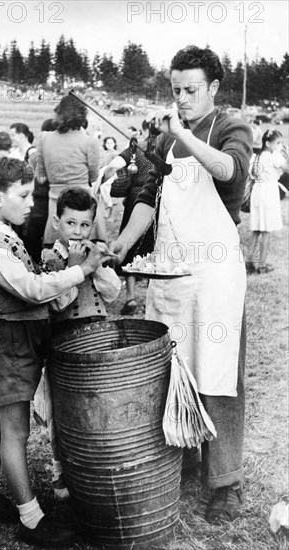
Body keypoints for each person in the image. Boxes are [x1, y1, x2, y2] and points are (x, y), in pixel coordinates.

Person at [111, 45, 253, 525]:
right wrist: (122, 243)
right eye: (175, 90)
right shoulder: (166, 138)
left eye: (191, 90)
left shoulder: (232, 128)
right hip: (169, 273)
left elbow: (229, 171)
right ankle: (185, 455)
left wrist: (181, 135)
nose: (182, 98)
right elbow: (147, 196)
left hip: (213, 276)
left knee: (217, 373)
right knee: (172, 369)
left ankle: (226, 481)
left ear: (213, 88)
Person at [0, 157, 112, 548]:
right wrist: (79, 271)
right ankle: (31, 518)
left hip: (13, 342)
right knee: (16, 432)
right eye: (23, 196)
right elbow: (30, 288)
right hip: (8, 345)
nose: (30, 203)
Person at [35, 186, 121, 498]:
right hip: (64, 343)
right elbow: (58, 303)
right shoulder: (50, 257)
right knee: (63, 410)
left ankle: (97, 463)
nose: (77, 231)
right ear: (57, 222)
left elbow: (112, 293)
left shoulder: (94, 251)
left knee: (99, 401)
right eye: (71, 223)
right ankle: (61, 472)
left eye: (84, 225)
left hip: (97, 336)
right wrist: (75, 267)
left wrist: (96, 265)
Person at [104, 119, 159, 314]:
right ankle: (154, 296)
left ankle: (130, 297)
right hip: (162, 199)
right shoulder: (168, 148)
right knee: (156, 246)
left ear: (146, 129)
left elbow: (112, 167)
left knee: (130, 247)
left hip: (137, 199)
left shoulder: (137, 148)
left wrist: (109, 184)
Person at [36, 94, 101, 247]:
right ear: (82, 116)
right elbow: (94, 176)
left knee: (53, 253)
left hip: (55, 204)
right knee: (85, 250)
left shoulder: (44, 138)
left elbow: (41, 178)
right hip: (83, 204)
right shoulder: (89, 141)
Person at [247, 129, 289, 274]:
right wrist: (287, 153)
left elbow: (251, 174)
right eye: (277, 143)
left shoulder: (256, 157)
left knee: (256, 229)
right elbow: (287, 169)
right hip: (268, 192)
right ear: (268, 143)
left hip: (257, 191)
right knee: (266, 230)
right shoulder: (273, 157)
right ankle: (262, 265)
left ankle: (250, 261)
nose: (279, 146)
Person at [23, 119, 57, 262]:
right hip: (46, 198)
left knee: (37, 232)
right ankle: (40, 260)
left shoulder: (38, 155)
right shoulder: (40, 155)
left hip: (43, 198)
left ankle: (38, 260)